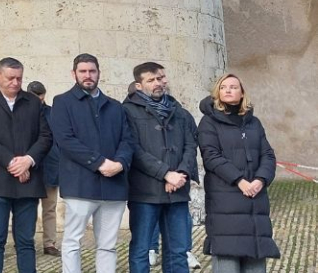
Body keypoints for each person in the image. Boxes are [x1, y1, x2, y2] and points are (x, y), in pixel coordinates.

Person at [50, 54, 135, 273]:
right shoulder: (62, 102)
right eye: (83, 71)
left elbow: (127, 140)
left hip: (113, 186)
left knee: (108, 245)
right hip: (80, 184)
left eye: (92, 71)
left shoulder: (116, 107)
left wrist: (120, 163)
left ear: (98, 72)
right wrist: (98, 163)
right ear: (74, 74)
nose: (88, 76)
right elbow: (65, 140)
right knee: (72, 242)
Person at [0, 57, 52, 273]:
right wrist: (11, 162)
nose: (15, 83)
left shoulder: (33, 102)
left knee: (26, 241)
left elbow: (45, 136)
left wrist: (28, 161)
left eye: (19, 78)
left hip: (29, 180)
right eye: (10, 78)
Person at [198, 74, 280, 273]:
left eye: (233, 87)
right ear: (217, 92)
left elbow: (267, 154)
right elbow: (211, 156)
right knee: (228, 261)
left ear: (242, 92)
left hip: (255, 201)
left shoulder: (254, 123)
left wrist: (261, 180)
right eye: (223, 87)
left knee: (255, 262)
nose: (228, 90)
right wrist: (240, 180)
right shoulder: (209, 122)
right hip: (225, 199)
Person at [122, 62, 198, 273]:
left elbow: (190, 145)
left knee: (178, 250)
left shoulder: (178, 110)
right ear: (139, 85)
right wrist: (165, 173)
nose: (158, 83)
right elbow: (133, 149)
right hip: (144, 192)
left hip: (178, 192)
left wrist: (181, 173)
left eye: (160, 78)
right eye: (151, 80)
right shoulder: (127, 111)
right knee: (141, 248)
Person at [26, 81, 60, 257]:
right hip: (29, 169)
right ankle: (26, 242)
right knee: (28, 208)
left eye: (38, 95)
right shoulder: (22, 112)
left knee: (49, 208)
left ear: (43, 96)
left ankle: (49, 243)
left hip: (50, 167)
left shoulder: (53, 113)